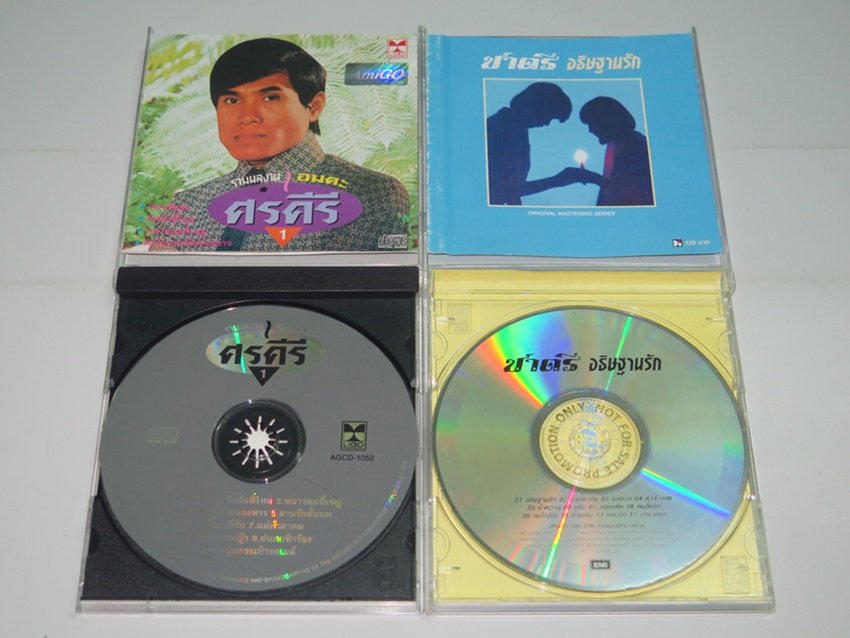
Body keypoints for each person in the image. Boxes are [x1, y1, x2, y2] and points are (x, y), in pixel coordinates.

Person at [156, 38, 410, 252]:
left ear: (313, 106)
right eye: (232, 101)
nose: (248, 116)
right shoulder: (187, 206)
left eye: (270, 97)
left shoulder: (371, 192)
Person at [486, 82, 585, 205]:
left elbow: (513, 188)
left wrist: (559, 180)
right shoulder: (497, 130)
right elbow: (507, 189)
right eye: (549, 115)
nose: (547, 123)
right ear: (536, 106)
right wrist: (558, 180)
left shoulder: (517, 131)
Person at [577, 97, 654, 206]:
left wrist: (594, 178)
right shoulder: (613, 146)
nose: (590, 130)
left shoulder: (635, 145)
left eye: (593, 123)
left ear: (607, 120)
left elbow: (634, 194)